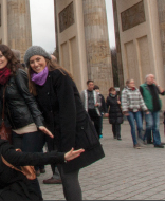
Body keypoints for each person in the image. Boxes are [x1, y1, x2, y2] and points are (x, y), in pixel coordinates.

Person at [24, 46, 105, 199]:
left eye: (38, 59)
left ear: (46, 59)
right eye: (31, 62)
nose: (35, 64)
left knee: (68, 175)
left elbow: (69, 112)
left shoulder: (60, 76)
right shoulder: (36, 81)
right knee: (65, 174)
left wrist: (67, 146)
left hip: (71, 133)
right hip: (56, 135)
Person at [0, 45, 53, 195]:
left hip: (30, 127)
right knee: (20, 170)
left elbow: (30, 99)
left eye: (1, 56)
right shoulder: (0, 77)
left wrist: (39, 123)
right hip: (16, 129)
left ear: (8, 56)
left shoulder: (18, 73)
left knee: (28, 169)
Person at [0, 123, 84, 201]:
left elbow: (32, 157)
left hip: (26, 193)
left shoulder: (3, 152)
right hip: (9, 191)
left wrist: (63, 156)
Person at [121, 79, 148, 148]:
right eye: (131, 83)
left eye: (133, 83)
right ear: (128, 84)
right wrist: (125, 110)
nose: (133, 84)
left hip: (137, 110)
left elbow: (141, 100)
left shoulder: (137, 90)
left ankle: (140, 140)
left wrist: (145, 109)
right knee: (133, 126)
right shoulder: (125, 91)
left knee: (140, 126)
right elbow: (124, 101)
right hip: (130, 110)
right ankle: (135, 143)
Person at [139, 74, 165, 148]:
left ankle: (157, 142)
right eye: (151, 78)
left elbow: (163, 93)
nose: (152, 79)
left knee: (156, 126)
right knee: (149, 125)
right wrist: (144, 108)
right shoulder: (142, 87)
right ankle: (143, 138)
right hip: (148, 109)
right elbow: (140, 98)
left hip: (156, 108)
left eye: (153, 78)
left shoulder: (155, 86)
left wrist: (158, 85)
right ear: (147, 79)